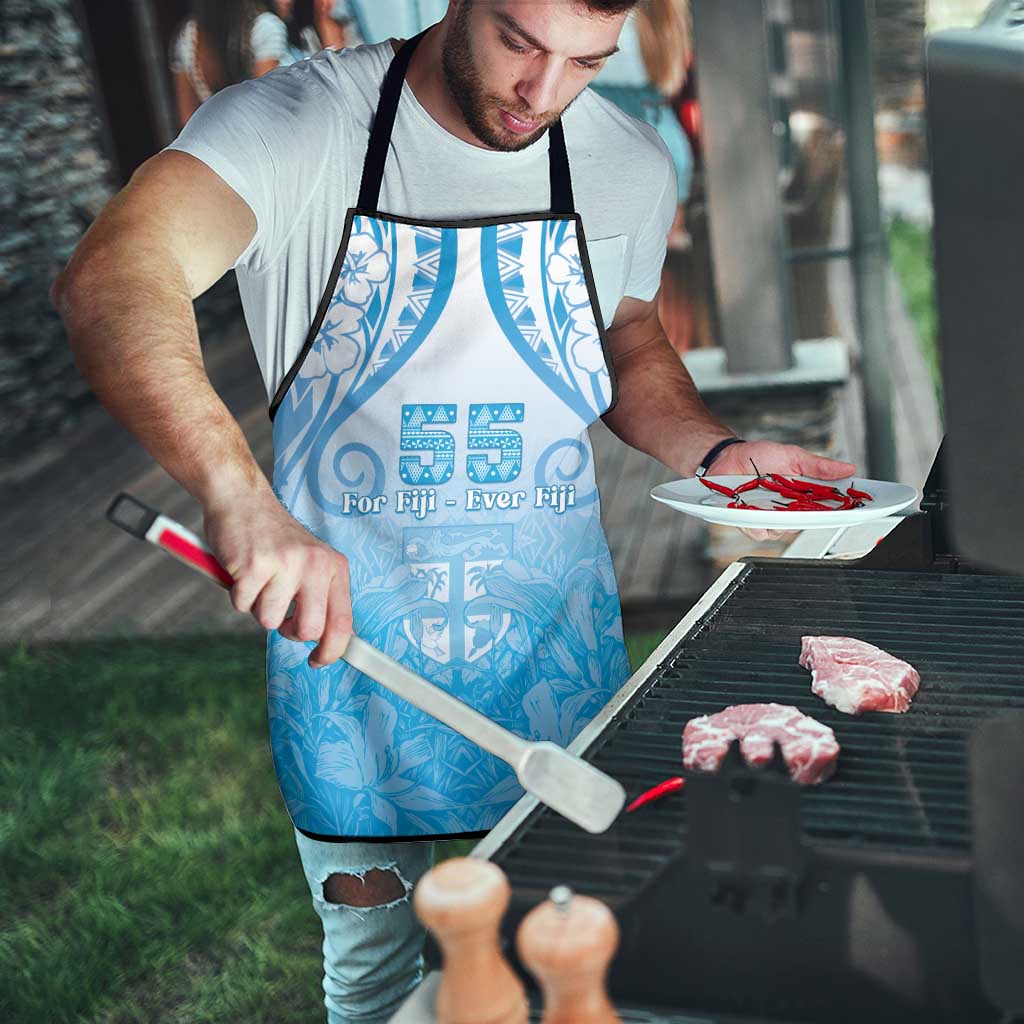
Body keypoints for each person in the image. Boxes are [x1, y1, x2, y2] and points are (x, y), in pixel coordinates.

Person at [52, 2, 856, 1020]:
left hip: (553, 647)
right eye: (521, 42)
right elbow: (113, 275)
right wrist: (237, 494)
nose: (543, 94)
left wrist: (717, 449)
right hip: (349, 661)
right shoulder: (297, 125)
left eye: (585, 62)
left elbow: (626, 338)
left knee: (577, 954)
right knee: (380, 979)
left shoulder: (624, 160)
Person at [169, 0, 289, 127]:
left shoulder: (188, 37)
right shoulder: (266, 27)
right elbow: (266, 107)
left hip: (215, 140)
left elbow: (187, 120)